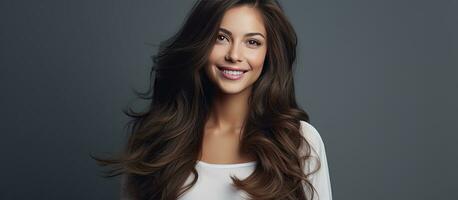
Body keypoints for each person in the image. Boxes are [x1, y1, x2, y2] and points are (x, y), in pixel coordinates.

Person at [93, 0, 333, 199]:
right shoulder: (155, 138)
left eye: (252, 42)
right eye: (221, 37)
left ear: (269, 53)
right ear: (200, 42)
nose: (234, 55)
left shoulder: (299, 142)